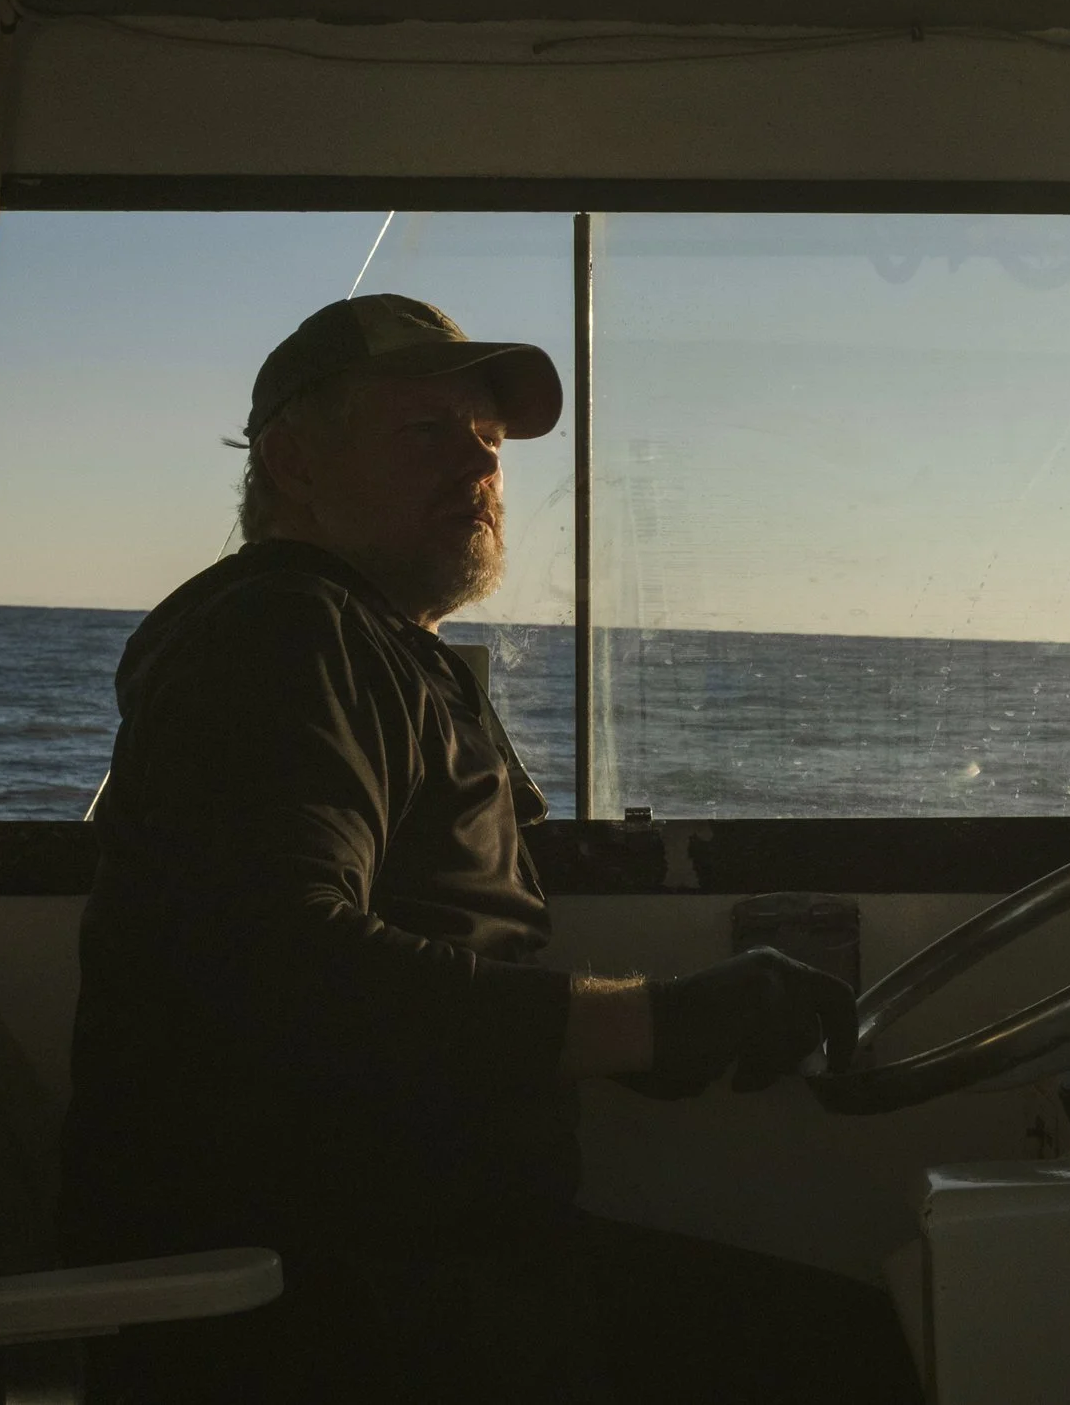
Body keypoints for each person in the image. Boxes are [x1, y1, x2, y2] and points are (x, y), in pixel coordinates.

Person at [60, 294, 920, 1403]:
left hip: (432, 1255)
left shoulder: (371, 644)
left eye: (489, 445)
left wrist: (648, 1032)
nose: (478, 470)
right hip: (328, 1298)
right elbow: (278, 962)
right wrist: (660, 1024)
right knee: (861, 1357)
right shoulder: (278, 639)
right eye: (427, 434)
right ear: (289, 459)